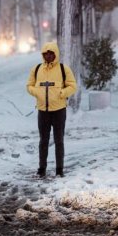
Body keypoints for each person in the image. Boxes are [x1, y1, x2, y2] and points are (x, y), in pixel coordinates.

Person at [26, 42, 78, 178]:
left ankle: (59, 169)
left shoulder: (63, 69)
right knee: (43, 140)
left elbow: (72, 86)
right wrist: (36, 92)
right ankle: (41, 168)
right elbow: (29, 85)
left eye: (51, 53)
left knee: (59, 140)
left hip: (59, 111)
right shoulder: (37, 69)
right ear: (43, 55)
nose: (48, 56)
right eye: (45, 54)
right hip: (43, 111)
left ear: (55, 54)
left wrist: (61, 93)